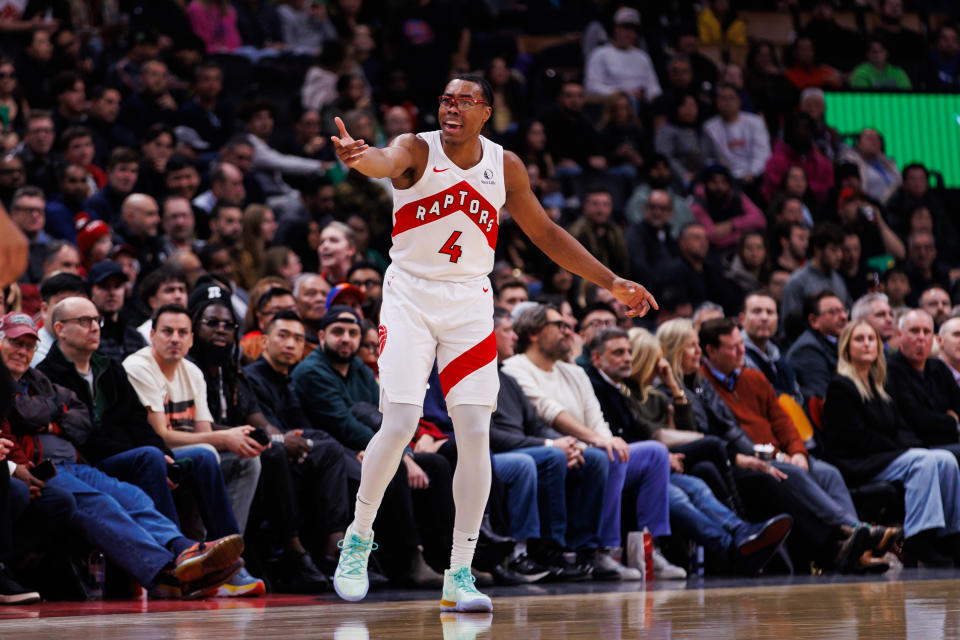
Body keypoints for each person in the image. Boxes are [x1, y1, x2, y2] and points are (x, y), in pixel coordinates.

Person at [328, 74, 657, 611]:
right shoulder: (416, 148)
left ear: (486, 112)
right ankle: (358, 538)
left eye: (464, 102)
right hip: (409, 295)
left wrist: (611, 282)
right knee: (402, 420)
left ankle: (459, 573)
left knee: (476, 431)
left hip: (470, 303)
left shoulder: (504, 166)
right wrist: (358, 158)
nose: (451, 108)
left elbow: (547, 233)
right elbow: (383, 161)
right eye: (445, 100)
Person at [0, 311, 245, 598]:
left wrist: (50, 416)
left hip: (77, 463)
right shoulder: (8, 383)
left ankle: (183, 550)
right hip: (42, 469)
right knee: (101, 504)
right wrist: (55, 414)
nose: (23, 352)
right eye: (15, 343)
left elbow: (81, 419)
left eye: (29, 346)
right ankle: (167, 574)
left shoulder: (39, 379)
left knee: (132, 497)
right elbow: (24, 413)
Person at [502, 304, 681, 579]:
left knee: (654, 453)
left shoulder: (574, 372)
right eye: (559, 326)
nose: (568, 331)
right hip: (555, 448)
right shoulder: (515, 368)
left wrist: (606, 439)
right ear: (535, 333)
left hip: (587, 447)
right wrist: (598, 441)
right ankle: (603, 551)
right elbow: (548, 411)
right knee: (608, 454)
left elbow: (596, 419)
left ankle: (650, 548)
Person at [698, 318, 885, 572]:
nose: (742, 352)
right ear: (711, 351)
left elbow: (783, 421)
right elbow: (732, 437)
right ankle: (857, 531)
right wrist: (780, 456)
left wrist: (797, 451)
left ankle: (859, 549)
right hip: (753, 460)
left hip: (782, 454)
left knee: (827, 473)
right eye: (733, 348)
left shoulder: (754, 378)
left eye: (742, 345)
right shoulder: (704, 384)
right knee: (793, 473)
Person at [607, 328, 792, 576]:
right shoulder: (623, 395)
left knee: (697, 485)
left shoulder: (656, 396)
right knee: (691, 478)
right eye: (654, 359)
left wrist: (674, 387)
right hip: (645, 464)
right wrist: (666, 453)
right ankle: (732, 547)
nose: (660, 365)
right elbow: (652, 435)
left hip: (659, 463)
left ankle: (740, 531)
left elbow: (684, 429)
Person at [122, 303, 265, 596]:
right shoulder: (138, 367)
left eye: (182, 332)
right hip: (144, 456)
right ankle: (196, 560)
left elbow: (202, 435)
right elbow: (160, 435)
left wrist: (235, 439)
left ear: (190, 339)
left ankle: (223, 558)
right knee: (206, 454)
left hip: (181, 457)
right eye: (167, 331)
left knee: (247, 462)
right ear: (151, 335)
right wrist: (225, 438)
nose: (174, 338)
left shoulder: (192, 372)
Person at [823, 320, 958, 567]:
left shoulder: (879, 384)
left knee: (945, 460)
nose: (867, 344)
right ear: (846, 347)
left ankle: (950, 537)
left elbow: (900, 427)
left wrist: (914, 446)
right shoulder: (840, 385)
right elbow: (857, 438)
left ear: (879, 346)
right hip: (858, 461)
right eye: (859, 339)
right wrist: (905, 451)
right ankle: (919, 539)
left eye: (871, 339)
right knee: (922, 461)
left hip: (884, 455)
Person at [243, 310, 352, 589]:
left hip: (292, 456)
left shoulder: (287, 380)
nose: (291, 344)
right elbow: (267, 431)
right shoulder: (251, 378)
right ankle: (311, 553)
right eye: (283, 336)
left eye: (298, 338)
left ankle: (335, 551)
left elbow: (303, 428)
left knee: (330, 449)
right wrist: (291, 441)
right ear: (265, 341)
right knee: (324, 451)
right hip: (264, 457)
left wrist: (304, 442)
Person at [886, 310, 960, 464]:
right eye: (914, 331)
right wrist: (951, 420)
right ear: (899, 335)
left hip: (946, 441)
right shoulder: (889, 370)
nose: (921, 337)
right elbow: (916, 418)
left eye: (927, 332)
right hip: (915, 447)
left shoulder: (938, 367)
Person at [781, 224, 849, 328]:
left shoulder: (839, 279)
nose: (839, 255)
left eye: (841, 250)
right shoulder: (797, 281)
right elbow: (790, 327)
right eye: (833, 249)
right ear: (818, 249)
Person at [786, 291, 848, 401]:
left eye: (844, 311)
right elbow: (823, 396)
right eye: (833, 312)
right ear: (814, 321)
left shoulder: (838, 341)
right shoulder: (807, 350)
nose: (843, 316)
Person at [740, 291, 801, 399]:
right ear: (742, 319)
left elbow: (797, 397)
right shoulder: (736, 355)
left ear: (777, 319)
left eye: (770, 312)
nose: (764, 318)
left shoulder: (779, 356)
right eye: (757, 311)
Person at [88, 261, 148, 362]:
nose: (112, 293)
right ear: (91, 291)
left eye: (117, 286)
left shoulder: (135, 336)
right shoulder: (86, 335)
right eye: (104, 287)